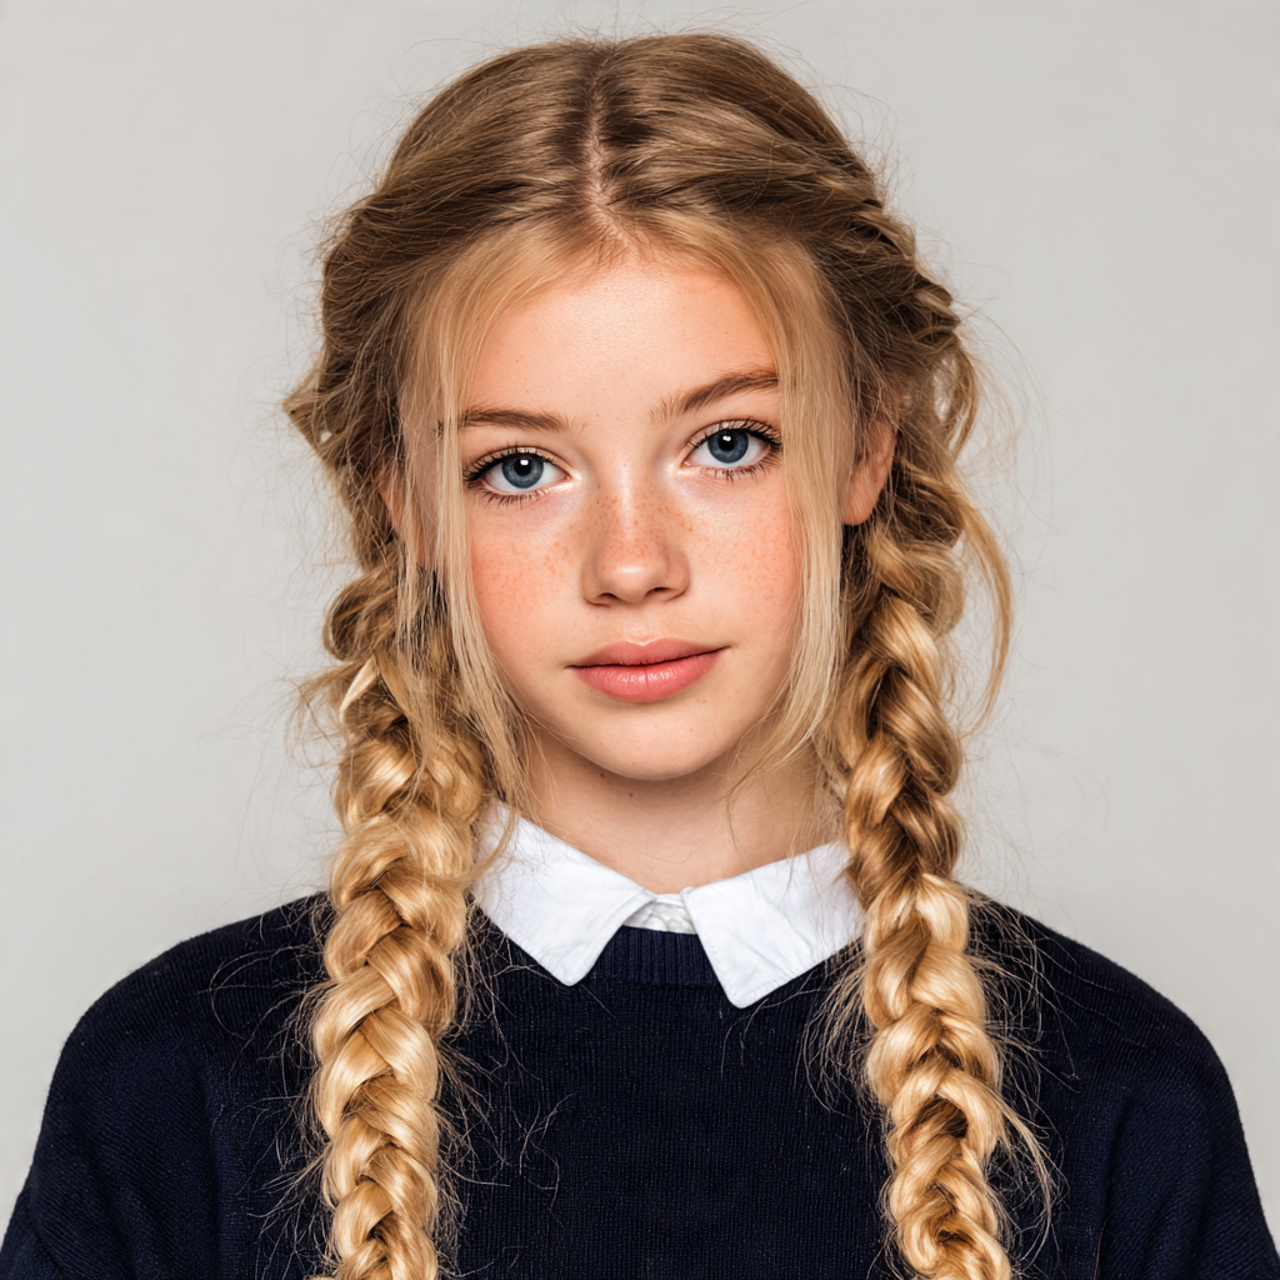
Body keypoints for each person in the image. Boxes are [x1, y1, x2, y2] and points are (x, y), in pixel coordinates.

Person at [1, 31, 1275, 1280]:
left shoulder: (1123, 1100)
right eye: (519, 467)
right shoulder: (172, 1089)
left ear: (863, 446)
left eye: (726, 444)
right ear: (403, 496)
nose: (629, 563)